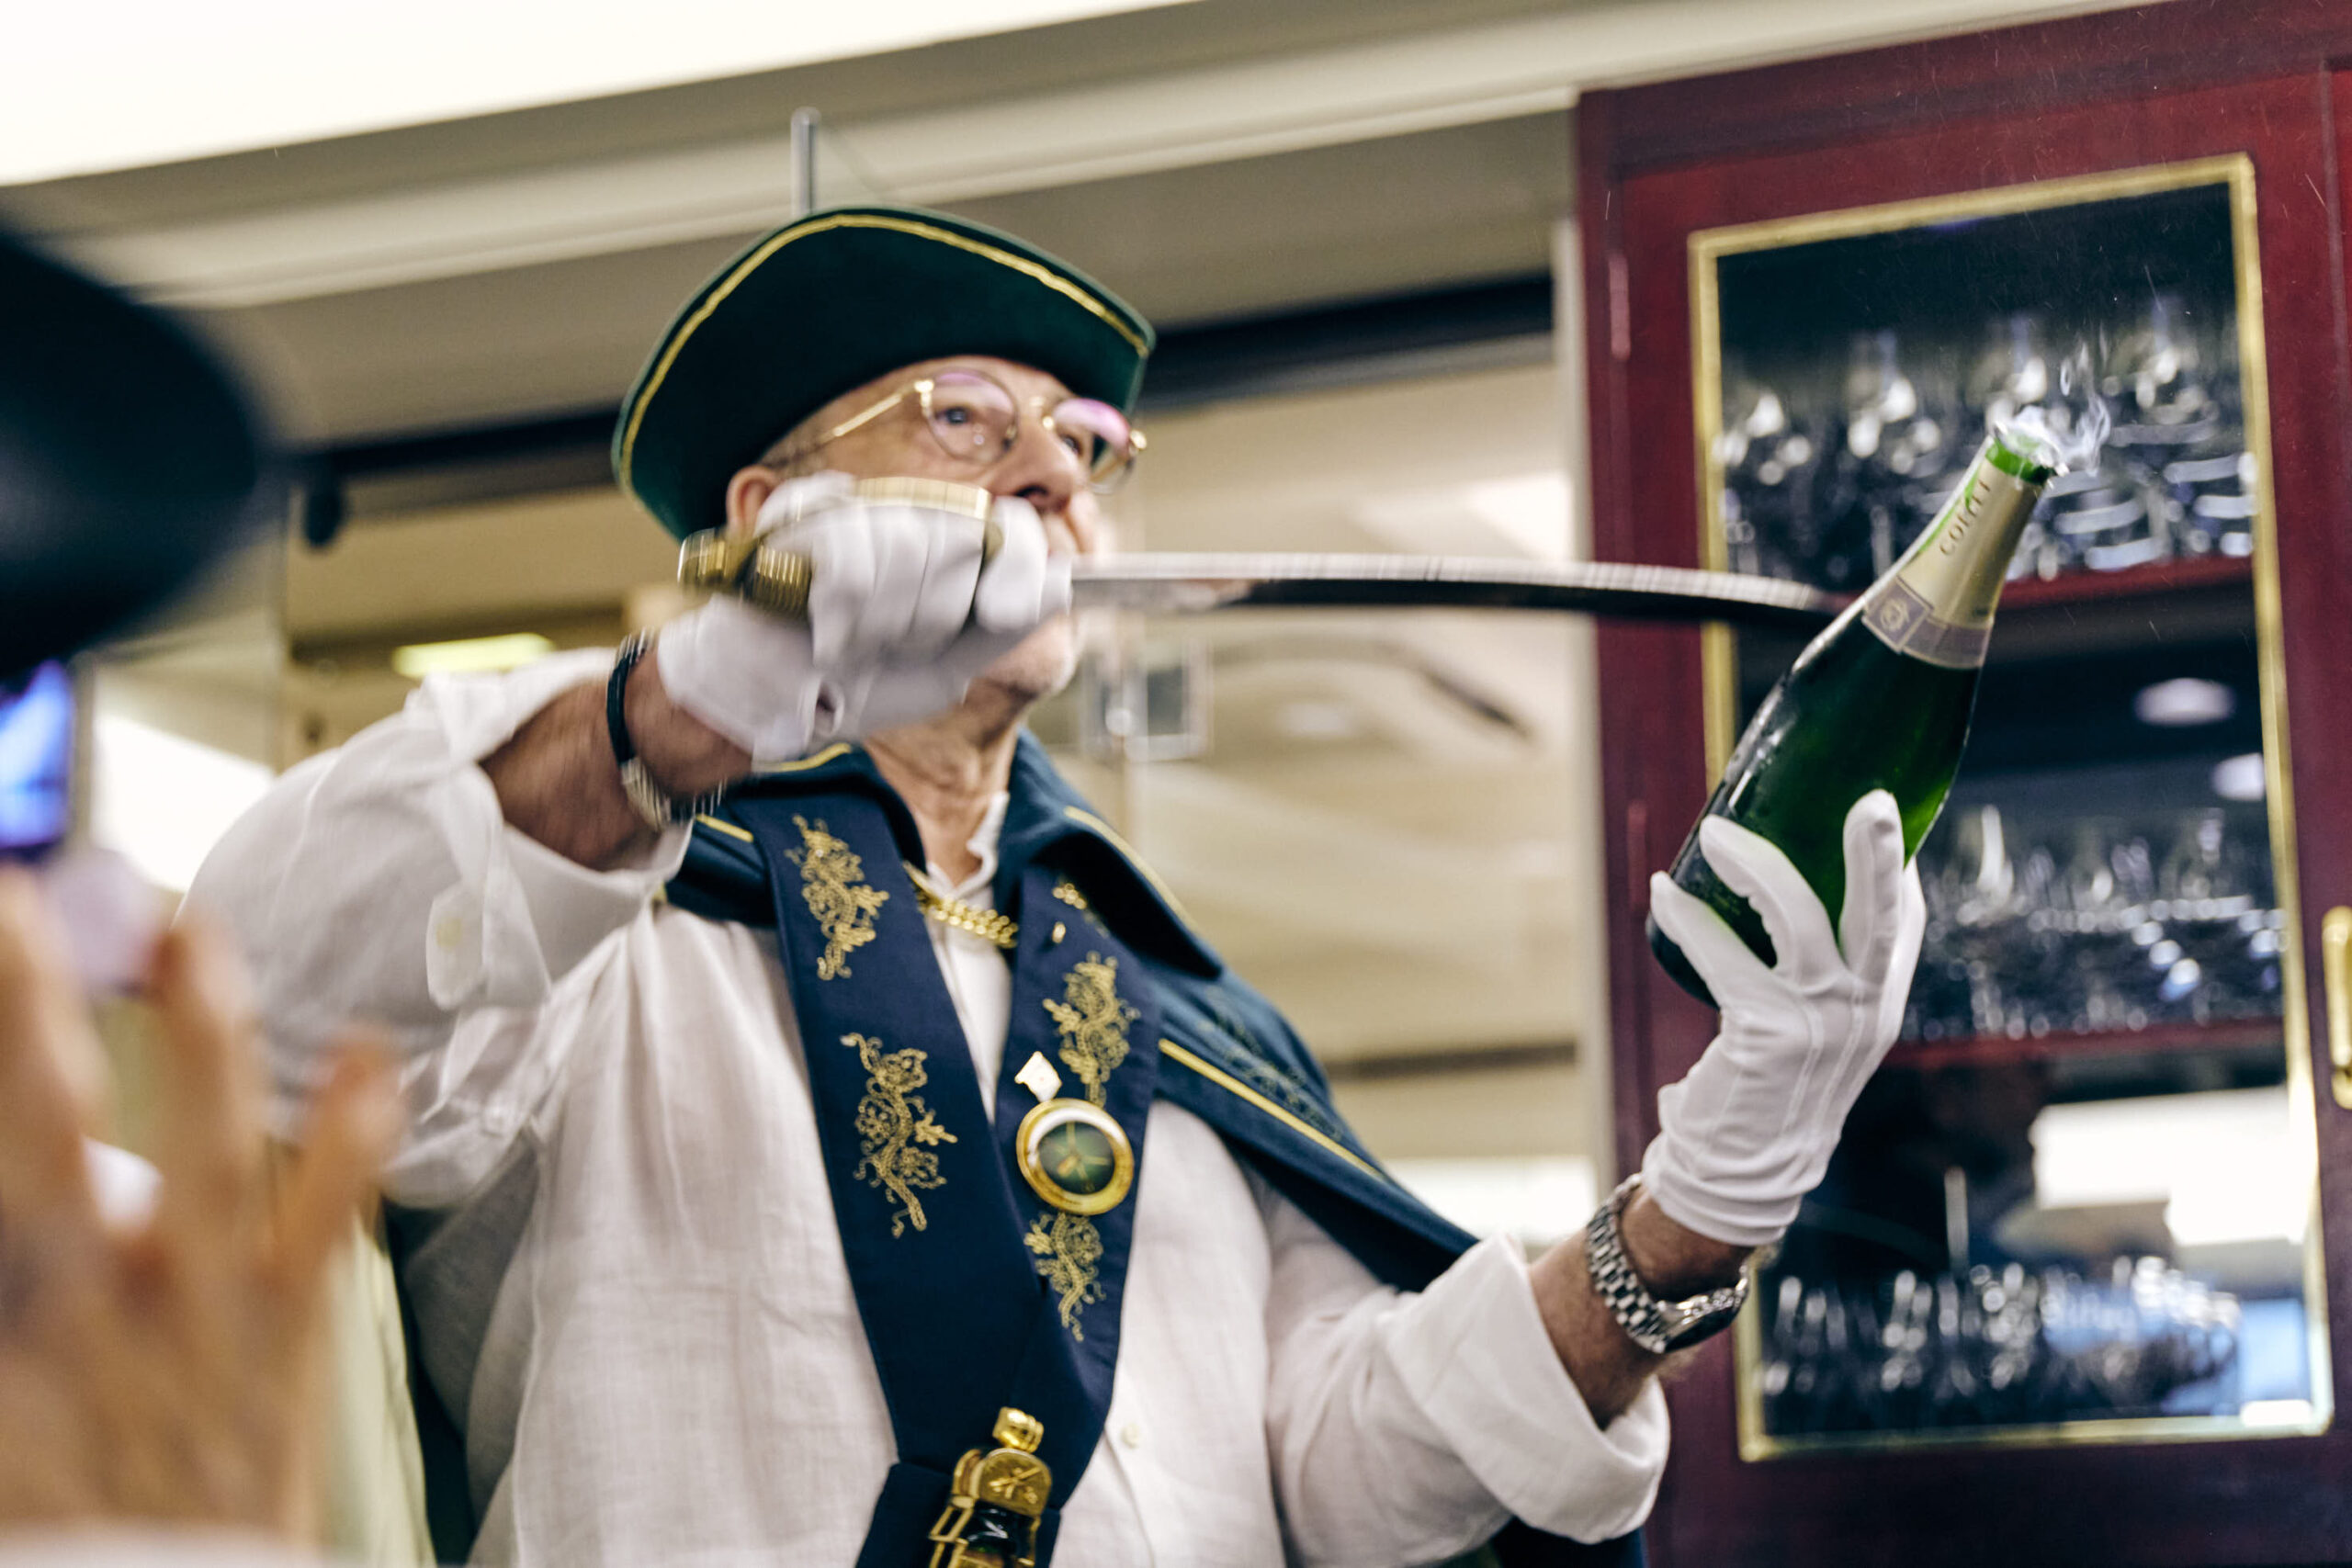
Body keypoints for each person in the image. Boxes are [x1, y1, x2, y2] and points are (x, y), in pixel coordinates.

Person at [187, 205, 1925, 1568]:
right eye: (964, 420)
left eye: (1084, 442)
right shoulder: (597, 923)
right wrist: (681, 709)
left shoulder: (1175, 999)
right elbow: (264, 985)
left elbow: (1356, 1474)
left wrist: (1709, 1193)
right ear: (771, 510)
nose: (1053, 477)